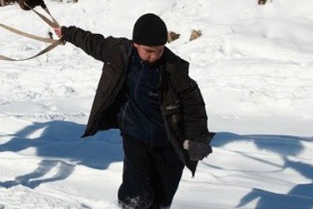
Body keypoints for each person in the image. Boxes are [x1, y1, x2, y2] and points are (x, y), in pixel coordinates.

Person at [54, 13, 214, 209]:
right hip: (135, 135)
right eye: (149, 51)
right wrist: (68, 33)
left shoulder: (174, 69)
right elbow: (93, 42)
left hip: (168, 141)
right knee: (136, 191)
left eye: (160, 50)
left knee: (163, 195)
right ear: (136, 43)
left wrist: (198, 138)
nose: (154, 56)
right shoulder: (119, 52)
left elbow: (193, 105)